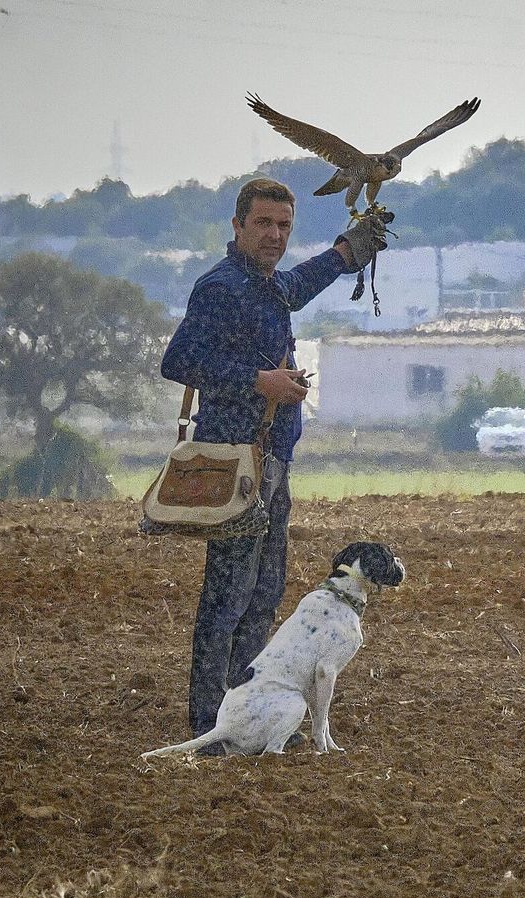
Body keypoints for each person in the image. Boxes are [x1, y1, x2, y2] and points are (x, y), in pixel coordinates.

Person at [159, 177, 385, 747]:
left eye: (283, 226)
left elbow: (295, 285)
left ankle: (245, 706)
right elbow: (179, 359)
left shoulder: (263, 284)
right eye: (263, 224)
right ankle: (207, 721)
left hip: (273, 459)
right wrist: (260, 380)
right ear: (237, 226)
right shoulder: (220, 286)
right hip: (235, 461)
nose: (274, 236)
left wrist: (341, 255)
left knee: (264, 590)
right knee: (229, 594)